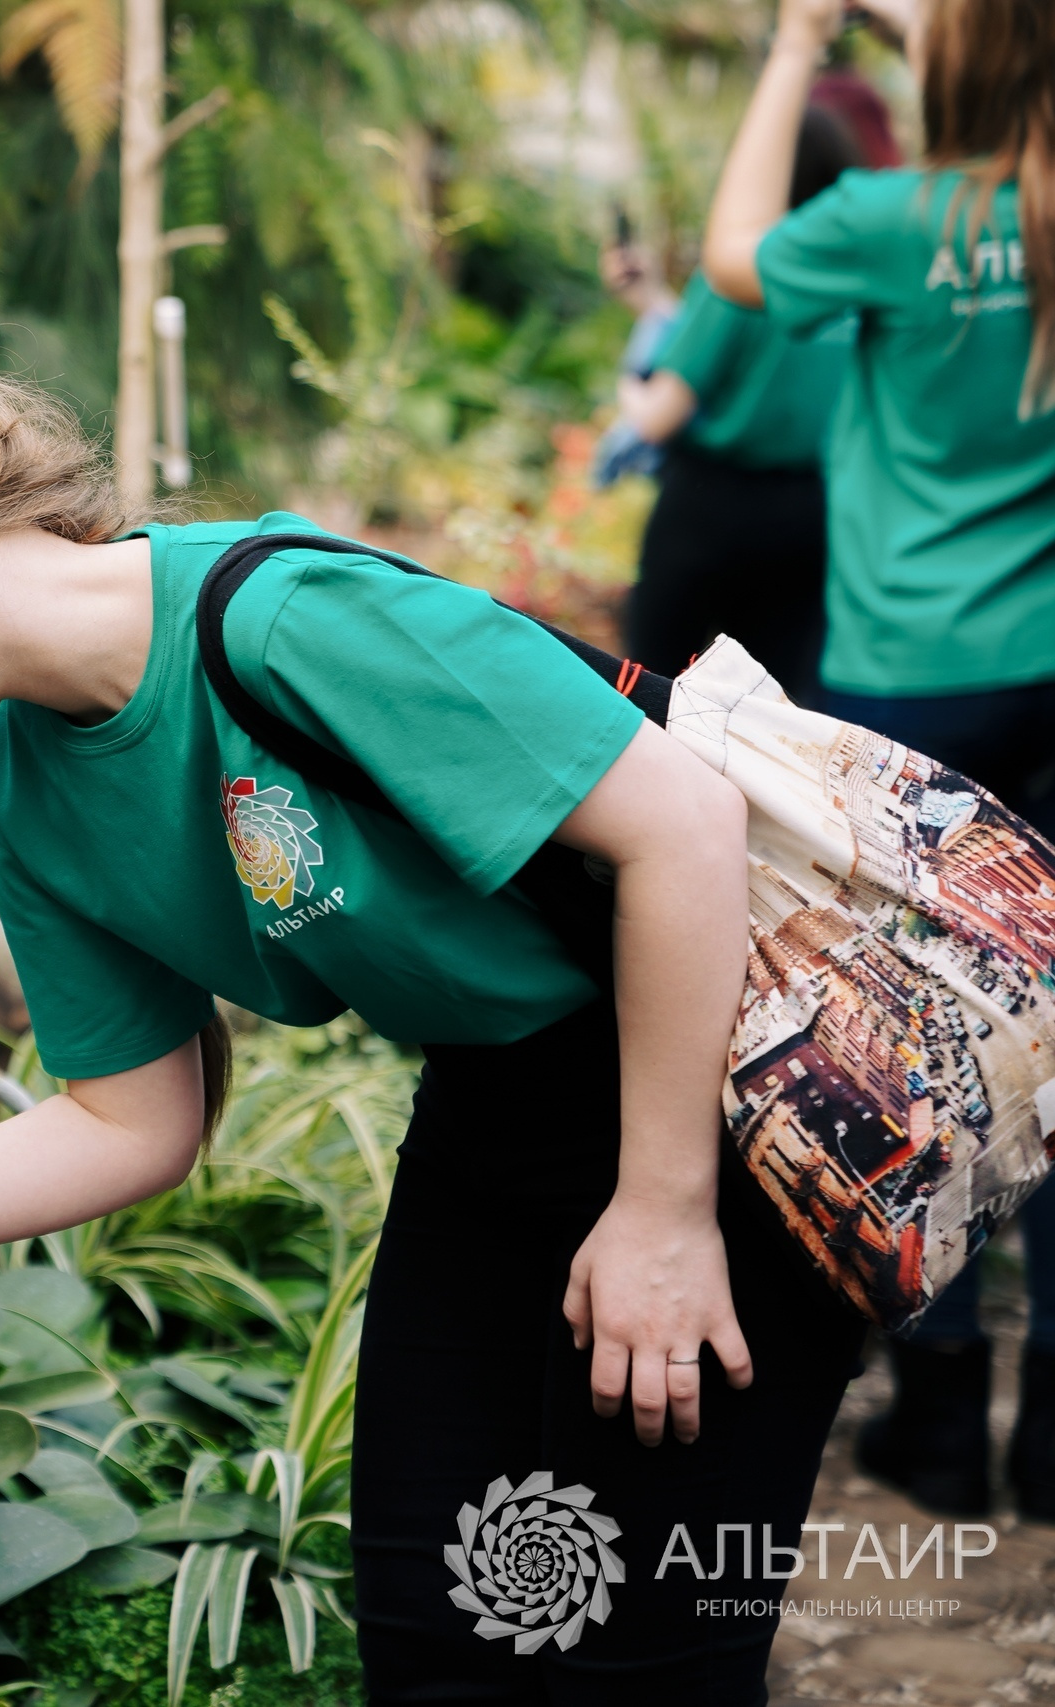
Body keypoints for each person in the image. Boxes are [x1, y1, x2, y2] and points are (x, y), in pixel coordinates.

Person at [0, 344, 867, 1701]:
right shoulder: (23, 790)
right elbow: (133, 1117)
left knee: (650, 1655)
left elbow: (680, 827)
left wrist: (661, 1208)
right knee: (438, 1629)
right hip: (489, 1105)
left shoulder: (285, 619)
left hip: (714, 1084)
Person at [704, 0, 1055, 1521]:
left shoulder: (888, 218)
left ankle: (936, 1423)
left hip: (914, 683)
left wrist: (796, 42)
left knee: (917, 1050)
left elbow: (731, 258)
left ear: (944, 65)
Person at [615, 106, 863, 696]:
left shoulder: (737, 271)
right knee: (778, 717)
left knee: (657, 695)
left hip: (709, 513)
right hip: (814, 517)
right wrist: (652, 305)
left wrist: (629, 378)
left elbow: (657, 416)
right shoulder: (856, 273)